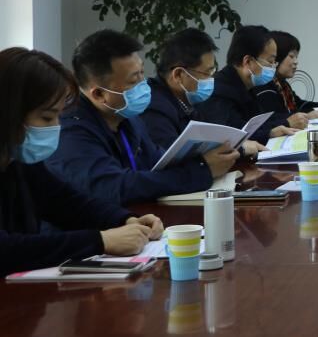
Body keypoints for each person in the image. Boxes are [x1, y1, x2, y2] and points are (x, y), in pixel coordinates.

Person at [0, 46, 164, 276]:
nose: (56, 126)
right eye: (46, 117)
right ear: (9, 113)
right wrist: (100, 241)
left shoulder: (17, 159)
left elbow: (66, 202)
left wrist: (125, 219)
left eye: (58, 116)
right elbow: (6, 249)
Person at [50, 30, 238, 206]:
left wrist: (208, 162)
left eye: (142, 73)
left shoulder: (127, 118)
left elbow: (157, 163)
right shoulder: (70, 130)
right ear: (99, 94)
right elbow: (115, 186)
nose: (144, 84)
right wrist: (202, 171)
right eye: (133, 80)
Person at [195, 25, 298, 141]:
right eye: (270, 61)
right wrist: (275, 129)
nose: (273, 66)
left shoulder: (248, 86)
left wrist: (275, 129)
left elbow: (256, 125)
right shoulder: (220, 91)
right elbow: (233, 134)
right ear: (248, 61)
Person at [142, 28, 220, 150]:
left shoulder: (188, 100)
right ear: (178, 74)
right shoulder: (155, 109)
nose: (211, 79)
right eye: (206, 73)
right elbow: (171, 156)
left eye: (212, 71)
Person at [252, 31, 318, 128]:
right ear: (277, 57)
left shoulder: (283, 84)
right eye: (291, 56)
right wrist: (307, 116)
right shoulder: (265, 85)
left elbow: (299, 105)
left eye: (296, 57)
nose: (296, 62)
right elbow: (272, 118)